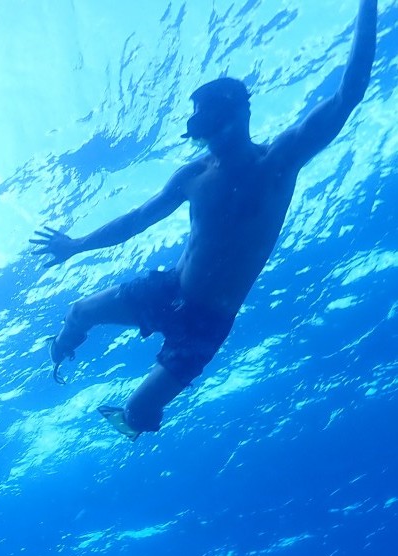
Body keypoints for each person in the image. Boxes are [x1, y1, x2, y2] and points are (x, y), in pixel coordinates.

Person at [31, 0, 377, 441]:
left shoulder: (278, 161)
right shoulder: (193, 175)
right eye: (200, 121)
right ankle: (61, 352)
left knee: (136, 412)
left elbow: (349, 93)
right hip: (168, 289)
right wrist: (75, 245)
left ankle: (138, 423)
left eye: (212, 117)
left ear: (240, 113)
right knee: (79, 311)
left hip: (209, 321)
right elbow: (137, 219)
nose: (207, 132)